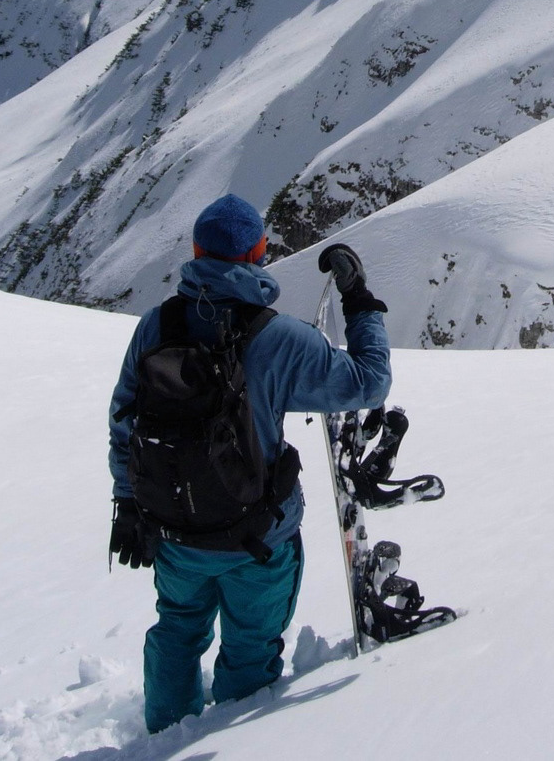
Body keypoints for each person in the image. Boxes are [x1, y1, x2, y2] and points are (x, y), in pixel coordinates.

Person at [107, 193, 390, 734]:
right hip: (257, 536)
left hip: (172, 530)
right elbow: (368, 382)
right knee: (251, 645)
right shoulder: (277, 337)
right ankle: (242, 739)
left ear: (196, 251)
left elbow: (125, 417)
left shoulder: (156, 327)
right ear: (260, 253)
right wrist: (360, 303)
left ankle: (165, 739)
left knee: (176, 630)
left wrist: (127, 500)